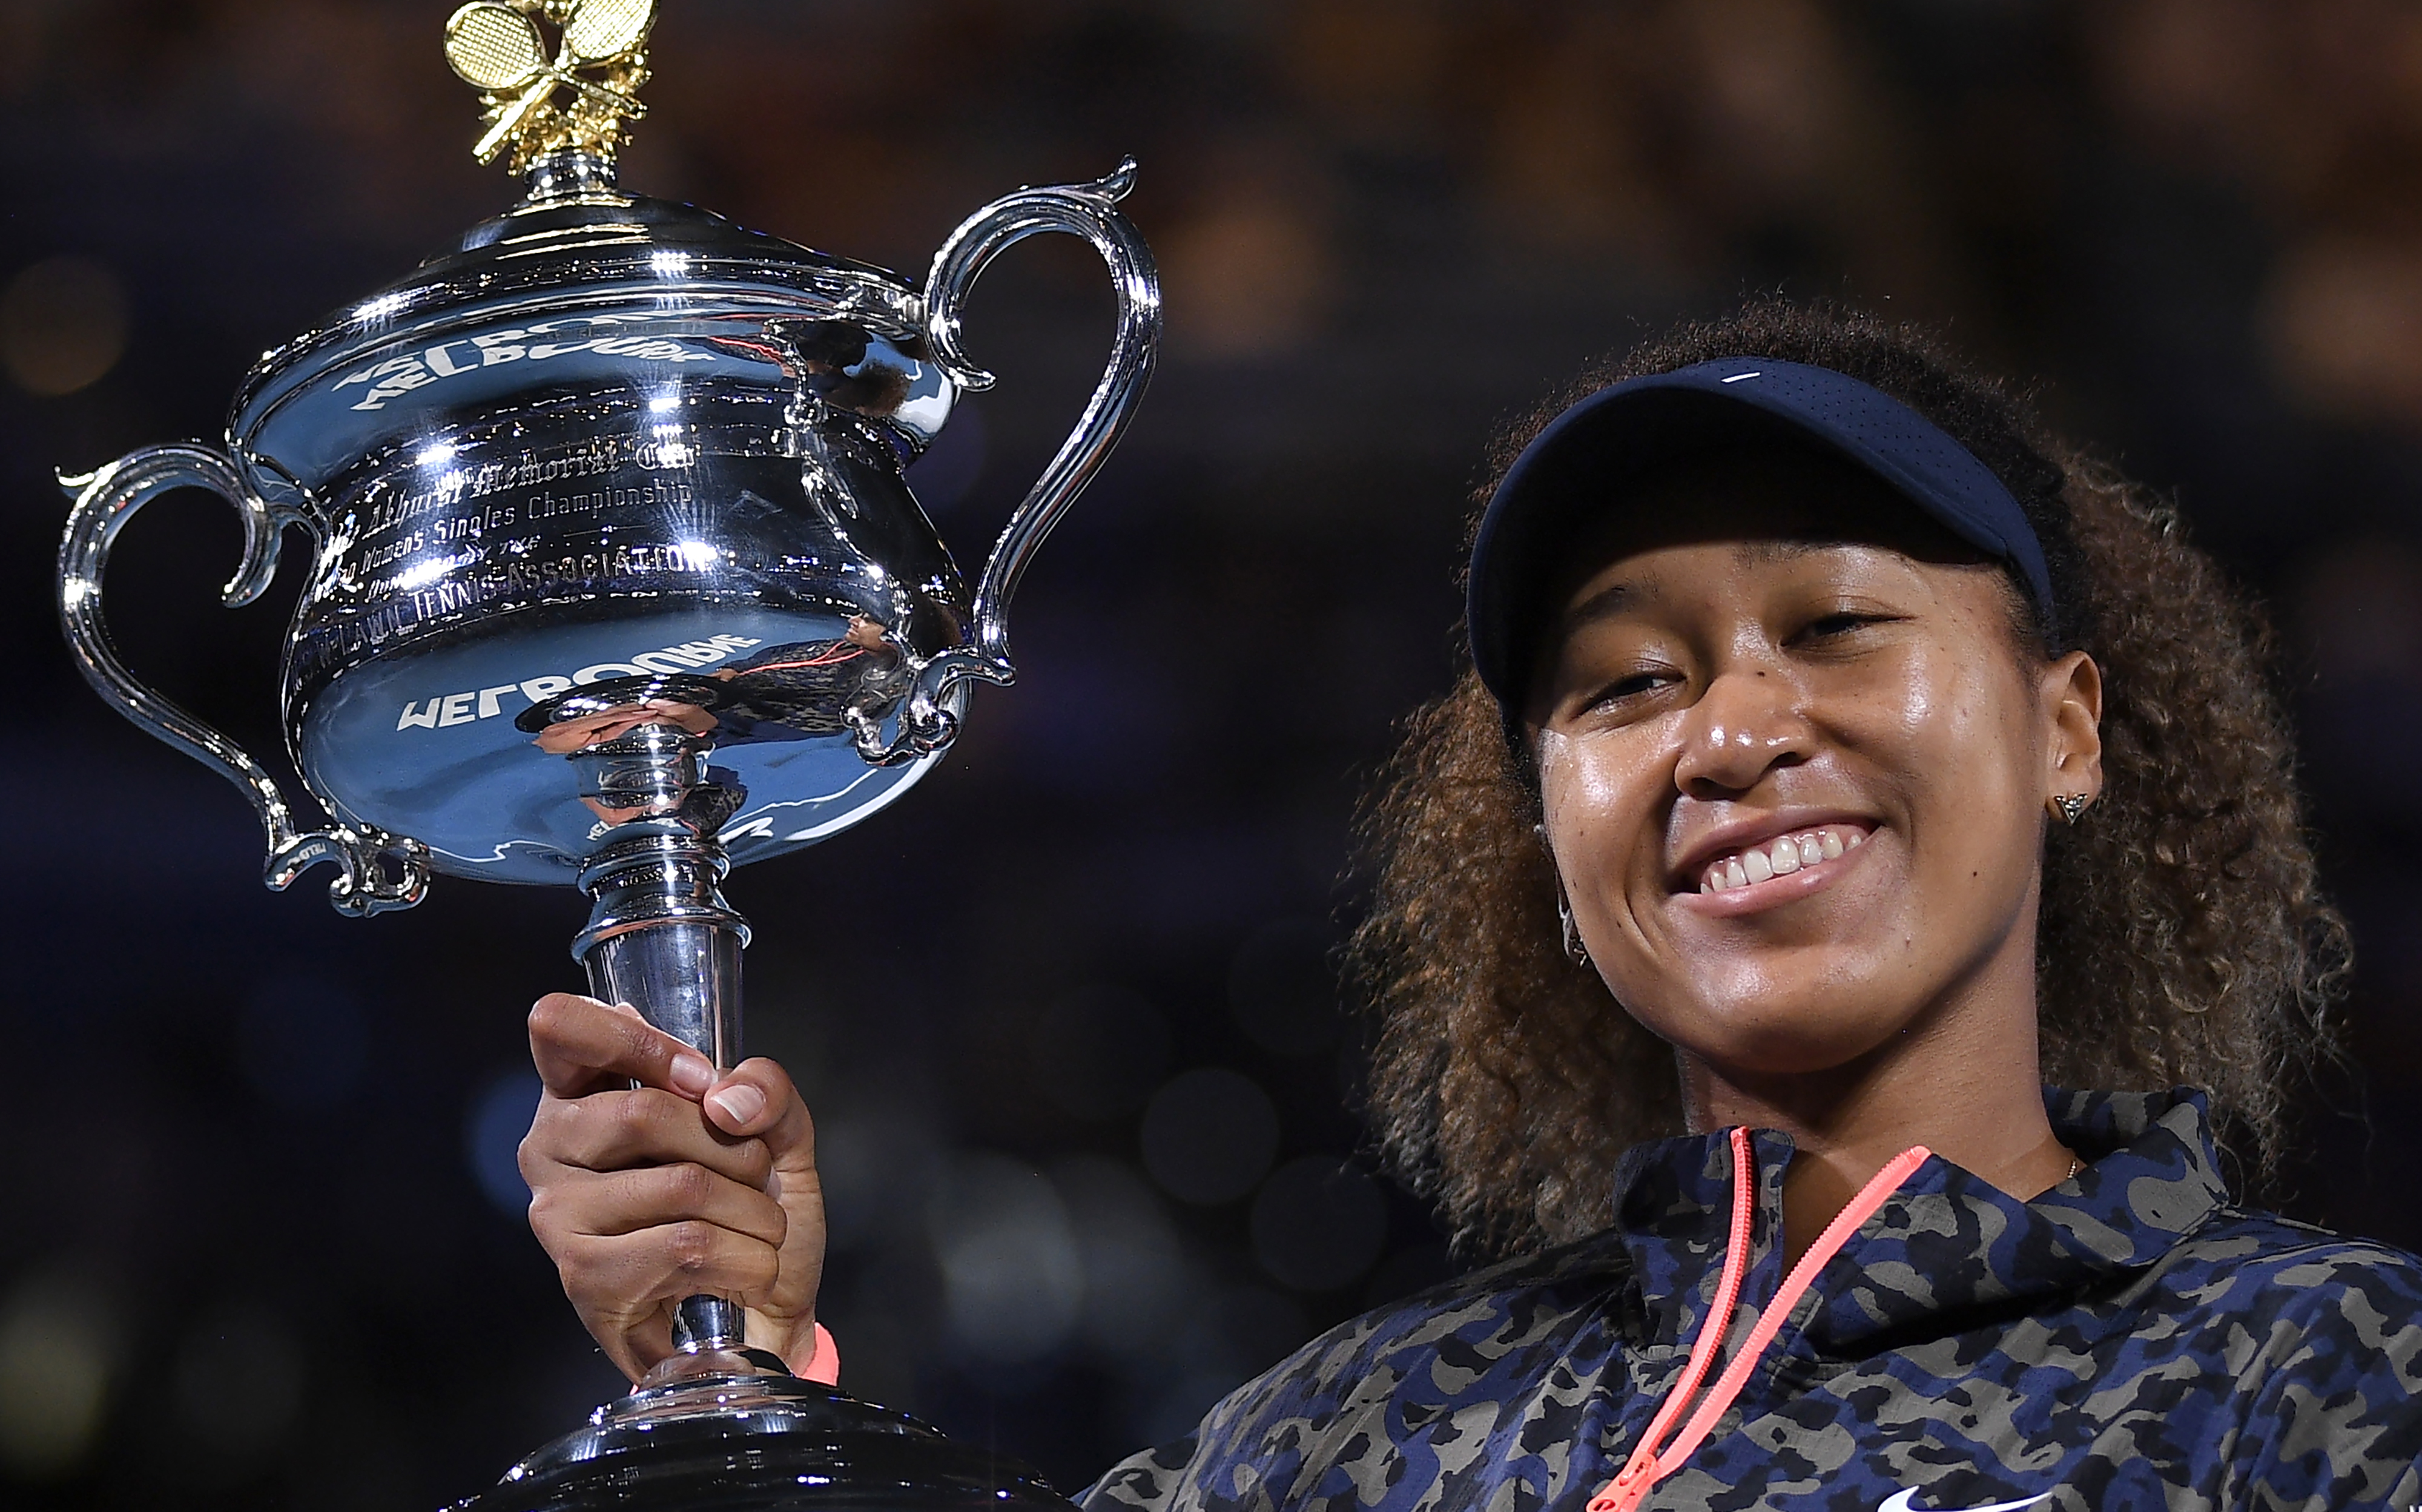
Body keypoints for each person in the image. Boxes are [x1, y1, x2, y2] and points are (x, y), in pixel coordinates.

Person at [518, 302, 2422, 1509]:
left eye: (1834, 626)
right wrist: (752, 1388)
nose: (1734, 731)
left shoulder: (2323, 1378)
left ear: (2065, 725)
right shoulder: (1340, 1443)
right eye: (1626, 683)